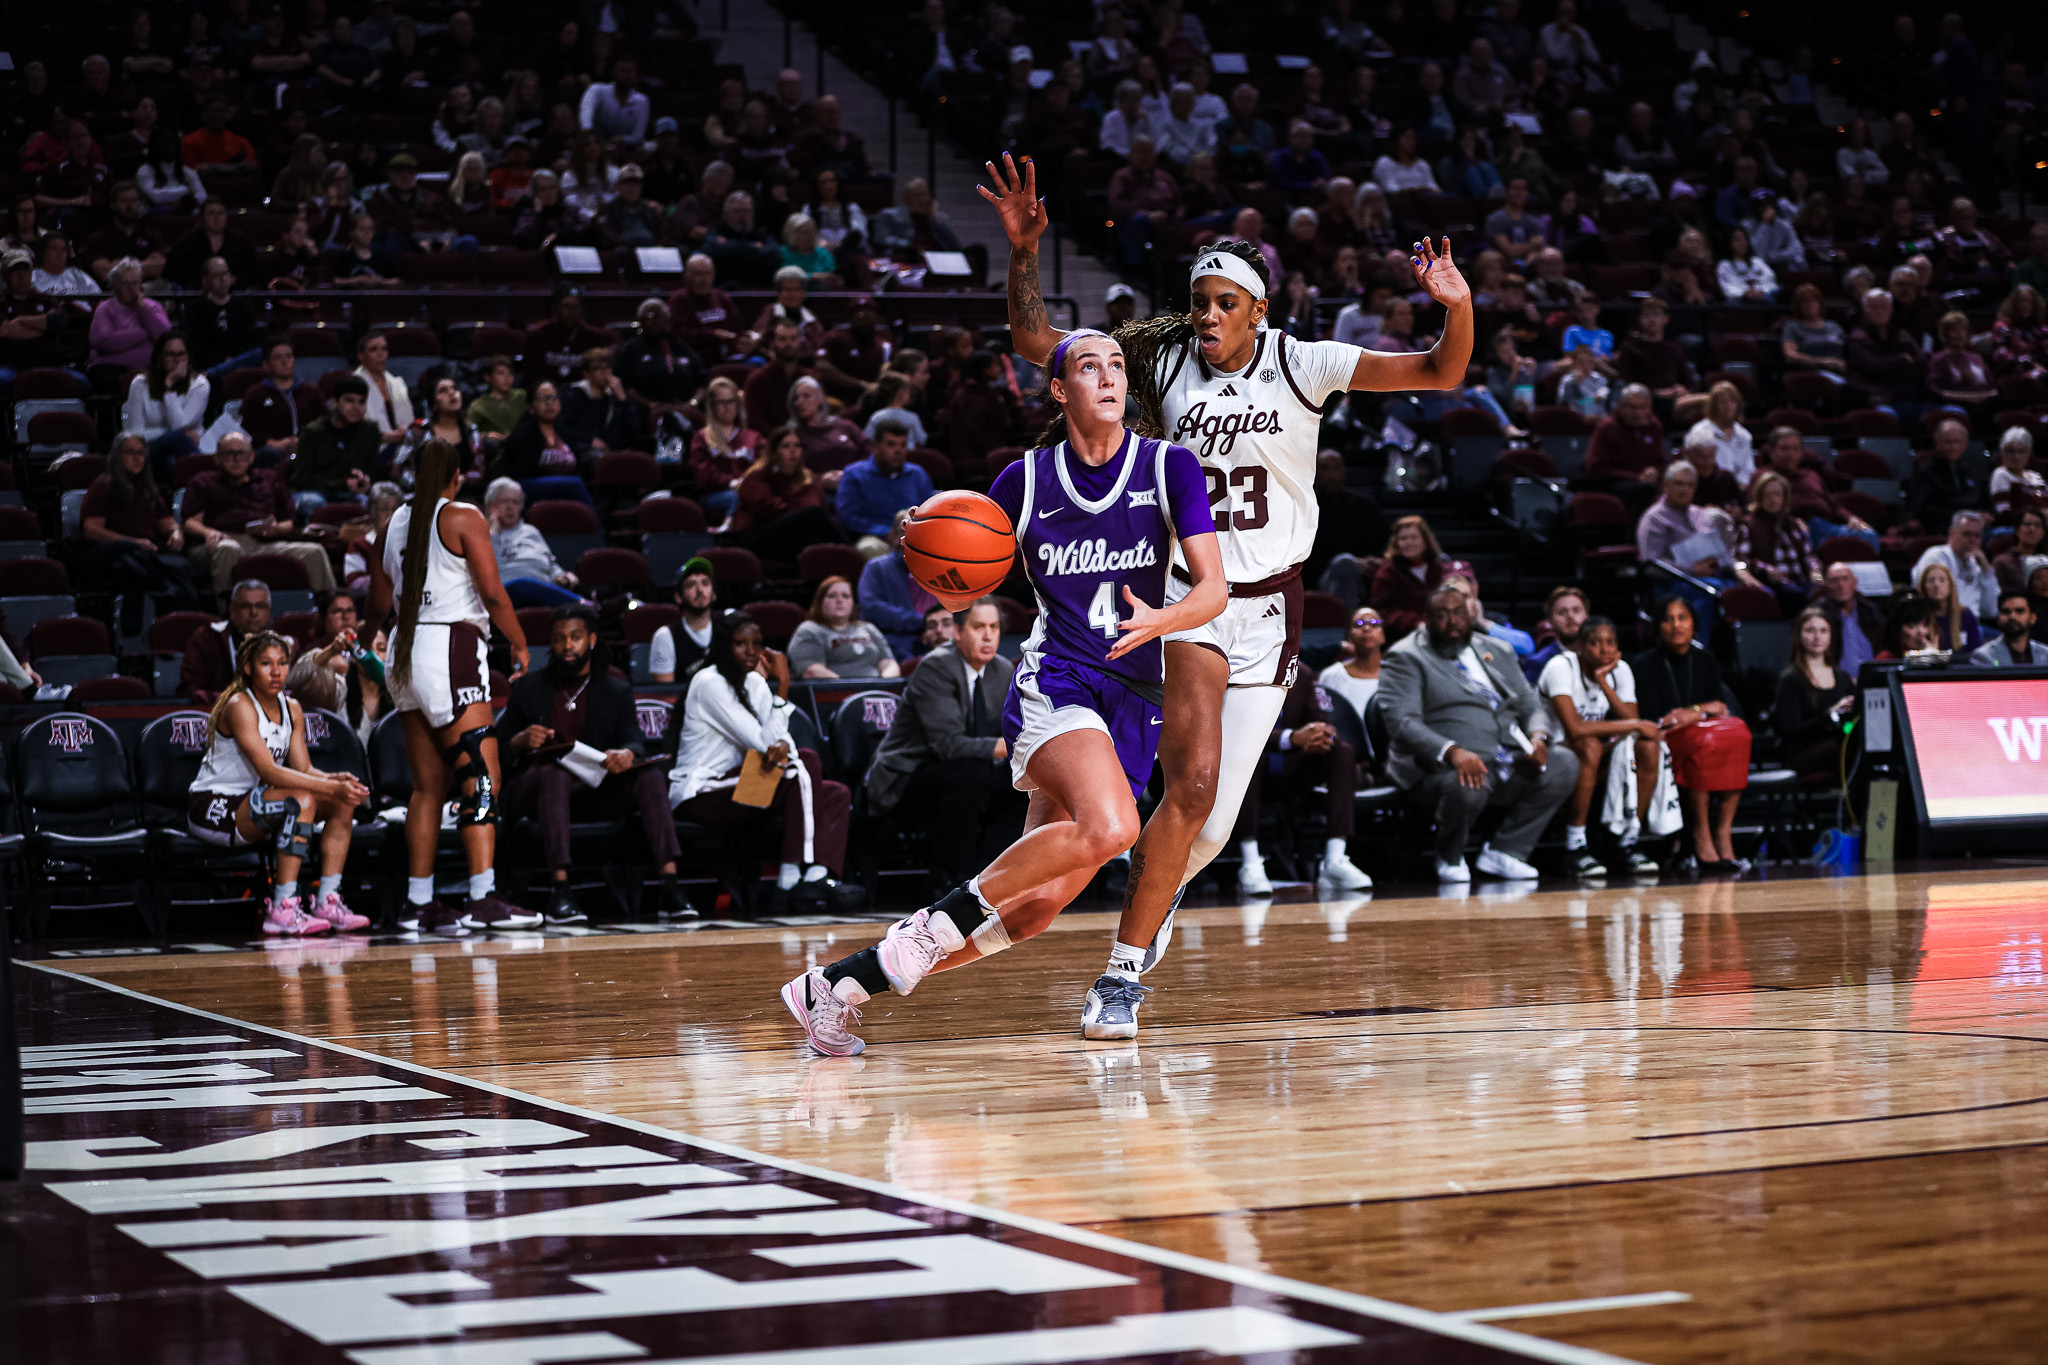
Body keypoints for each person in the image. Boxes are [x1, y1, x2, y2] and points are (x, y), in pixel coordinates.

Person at [990, 155, 1472, 1024]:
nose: (1206, 312)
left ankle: (1149, 903)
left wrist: (1458, 304)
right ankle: (1121, 976)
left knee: (1207, 830)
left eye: (1224, 301)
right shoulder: (1163, 356)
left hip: (1274, 606)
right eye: (1200, 297)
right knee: (1196, 784)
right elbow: (1038, 347)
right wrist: (1024, 252)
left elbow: (1440, 372)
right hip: (1192, 597)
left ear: (1258, 310)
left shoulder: (1307, 362)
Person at [779, 327, 1225, 1055]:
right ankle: (919, 936)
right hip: (1061, 679)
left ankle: (838, 985)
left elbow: (1214, 589)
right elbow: (961, 563)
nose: (1110, 377)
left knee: (1035, 907)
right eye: (1090, 366)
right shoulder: (1025, 480)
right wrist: (923, 545)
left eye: (1118, 365)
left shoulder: (1170, 466)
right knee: (1113, 828)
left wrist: (1164, 619)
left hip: (1137, 694)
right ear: (1059, 389)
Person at [368, 440, 538, 935]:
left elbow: (378, 603)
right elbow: (491, 592)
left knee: (427, 786)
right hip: (448, 646)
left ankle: (418, 903)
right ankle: (482, 896)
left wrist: (363, 646)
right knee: (482, 777)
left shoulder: (390, 525)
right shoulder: (464, 516)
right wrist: (521, 644)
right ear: (457, 476)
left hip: (403, 652)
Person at [499, 604, 691, 924]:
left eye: (575, 637)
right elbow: (499, 749)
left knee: (651, 778)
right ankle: (560, 890)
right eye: (559, 639)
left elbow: (634, 739)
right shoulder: (528, 688)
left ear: (591, 640)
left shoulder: (614, 688)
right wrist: (519, 741)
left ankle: (671, 887)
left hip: (593, 786)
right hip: (536, 789)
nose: (567, 645)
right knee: (554, 776)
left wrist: (627, 754)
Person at [1381, 583, 1578, 883]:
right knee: (1467, 782)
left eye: (1459, 613)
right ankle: (1449, 855)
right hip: (1440, 768)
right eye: (1443, 614)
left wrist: (1539, 736)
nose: (1453, 621)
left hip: (1508, 758)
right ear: (1427, 618)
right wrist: (1452, 751)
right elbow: (1402, 722)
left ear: (1471, 614)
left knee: (1564, 762)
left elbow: (1530, 703)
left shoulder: (1497, 650)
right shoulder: (1406, 656)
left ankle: (1506, 850)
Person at [667, 610, 858, 909]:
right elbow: (763, 743)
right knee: (803, 763)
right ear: (724, 645)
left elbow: (781, 746)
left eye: (757, 643)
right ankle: (790, 879)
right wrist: (783, 686)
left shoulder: (754, 684)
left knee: (835, 793)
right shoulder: (709, 682)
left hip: (744, 786)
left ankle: (814, 877)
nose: (751, 651)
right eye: (741, 643)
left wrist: (782, 745)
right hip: (703, 793)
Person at [188, 630, 372, 936]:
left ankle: (328, 899)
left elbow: (303, 768)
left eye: (283, 663)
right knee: (299, 801)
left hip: (255, 800)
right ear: (248, 667)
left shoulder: (293, 708)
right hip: (214, 804)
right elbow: (271, 771)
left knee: (341, 801)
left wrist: (333, 780)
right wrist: (329, 787)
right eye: (266, 664)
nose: (276, 672)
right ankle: (282, 909)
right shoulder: (239, 705)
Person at [864, 597, 1028, 889]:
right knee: (970, 773)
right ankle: (950, 877)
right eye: (979, 627)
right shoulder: (935, 667)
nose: (989, 635)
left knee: (1027, 779)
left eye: (994, 627)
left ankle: (992, 875)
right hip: (907, 776)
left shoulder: (1002, 670)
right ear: (957, 632)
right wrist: (1013, 745)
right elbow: (947, 745)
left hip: (964, 769)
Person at [1538, 614, 1666, 877]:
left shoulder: (1621, 670)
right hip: (1552, 754)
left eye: (1610, 642)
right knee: (1590, 745)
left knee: (1647, 747)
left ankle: (1628, 841)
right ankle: (1575, 845)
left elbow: (1631, 722)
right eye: (1595, 643)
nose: (1604, 649)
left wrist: (1606, 685)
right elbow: (1574, 729)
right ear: (1580, 647)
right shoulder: (1560, 667)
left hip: (1590, 756)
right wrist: (1637, 724)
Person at [1229, 667, 1374, 895]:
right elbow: (1232, 730)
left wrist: (1320, 733)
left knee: (1341, 750)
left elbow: (1319, 719)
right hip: (1246, 767)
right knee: (1248, 753)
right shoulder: (1237, 671)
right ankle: (1250, 863)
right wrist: (1291, 738)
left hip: (1292, 768)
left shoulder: (1302, 672)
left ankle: (1335, 859)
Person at [1633, 594, 1750, 873]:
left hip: (1704, 733)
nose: (1676, 625)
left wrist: (1693, 713)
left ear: (1693, 624)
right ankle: (1701, 831)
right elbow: (1657, 716)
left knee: (1741, 733)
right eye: (1668, 619)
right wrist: (1699, 714)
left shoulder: (1705, 659)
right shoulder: (1644, 664)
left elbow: (1719, 706)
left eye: (1682, 618)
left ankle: (1723, 830)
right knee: (1704, 743)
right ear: (1657, 626)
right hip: (1665, 739)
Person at [182, 433, 337, 601]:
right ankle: (229, 615)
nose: (236, 459)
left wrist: (275, 529)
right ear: (217, 458)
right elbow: (190, 522)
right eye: (229, 453)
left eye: (241, 453)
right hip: (223, 540)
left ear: (251, 457)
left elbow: (289, 523)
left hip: (265, 541)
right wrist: (208, 533)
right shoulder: (203, 481)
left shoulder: (269, 479)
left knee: (314, 552)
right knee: (227, 549)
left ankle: (331, 608)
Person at [78, 431, 199, 631]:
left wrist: (175, 533)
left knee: (181, 566)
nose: (137, 458)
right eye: (130, 452)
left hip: (146, 551)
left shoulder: (149, 489)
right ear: (117, 456)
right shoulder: (104, 485)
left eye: (141, 453)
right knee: (134, 559)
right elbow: (92, 530)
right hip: (113, 551)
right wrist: (132, 542)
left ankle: (184, 624)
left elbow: (167, 522)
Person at [286, 588, 391, 747]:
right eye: (367, 648)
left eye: (382, 648)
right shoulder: (338, 690)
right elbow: (295, 679)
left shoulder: (399, 694)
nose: (374, 655)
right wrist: (330, 652)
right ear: (354, 655)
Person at [732, 426, 842, 561]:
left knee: (816, 540)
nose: (792, 451)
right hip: (757, 536)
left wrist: (800, 517)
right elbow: (769, 509)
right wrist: (800, 515)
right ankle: (855, 556)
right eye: (785, 446)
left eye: (797, 446)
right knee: (814, 514)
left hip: (790, 537)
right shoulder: (758, 477)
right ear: (774, 453)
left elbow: (818, 504)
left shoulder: (806, 478)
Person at [1775, 607, 1856, 778]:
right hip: (1804, 750)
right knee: (1850, 748)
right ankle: (1855, 801)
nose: (1817, 637)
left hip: (1841, 743)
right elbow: (1791, 730)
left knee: (1873, 747)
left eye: (1823, 631)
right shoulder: (1791, 679)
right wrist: (1830, 714)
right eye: (1810, 631)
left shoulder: (1842, 677)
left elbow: (1852, 722)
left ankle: (1880, 804)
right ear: (1799, 636)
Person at [835, 420, 936, 557]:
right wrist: (884, 531)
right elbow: (849, 517)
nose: (899, 451)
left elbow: (929, 512)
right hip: (875, 536)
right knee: (869, 547)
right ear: (876, 446)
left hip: (914, 534)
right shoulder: (854, 474)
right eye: (891, 444)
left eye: (903, 445)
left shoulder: (917, 474)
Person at [290, 374, 378, 521]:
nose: (356, 407)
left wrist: (365, 480)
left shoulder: (370, 431)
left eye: (361, 402)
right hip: (317, 492)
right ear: (334, 402)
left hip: (352, 494)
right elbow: (301, 479)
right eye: (349, 401)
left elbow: (373, 470)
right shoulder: (313, 432)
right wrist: (342, 484)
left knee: (371, 501)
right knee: (312, 502)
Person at [483, 478, 582, 608]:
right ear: (491, 506)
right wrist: (493, 533)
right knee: (521, 586)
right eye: (504, 501)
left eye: (515, 502)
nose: (510, 507)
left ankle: (583, 606)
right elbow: (485, 568)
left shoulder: (531, 531)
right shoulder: (481, 533)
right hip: (505, 594)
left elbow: (550, 564)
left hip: (542, 589)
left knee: (528, 586)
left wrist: (561, 575)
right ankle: (583, 605)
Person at [1734, 471, 1822, 616]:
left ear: (1784, 498)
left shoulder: (1794, 524)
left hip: (1801, 580)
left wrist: (1816, 573)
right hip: (1774, 583)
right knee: (1796, 596)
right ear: (1759, 497)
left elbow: (1810, 556)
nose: (1773, 499)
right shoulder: (1749, 525)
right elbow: (1740, 562)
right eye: (1767, 495)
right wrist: (1765, 569)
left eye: (1777, 494)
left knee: (1822, 593)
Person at [124, 332, 210, 475]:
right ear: (160, 358)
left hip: (187, 450)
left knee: (172, 462)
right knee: (177, 439)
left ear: (188, 358)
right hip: (149, 450)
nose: (176, 360)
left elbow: (179, 424)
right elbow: (136, 433)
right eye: (170, 354)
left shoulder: (200, 385)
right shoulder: (139, 383)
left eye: (181, 354)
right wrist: (169, 385)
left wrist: (168, 390)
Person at [858, 509, 940, 658]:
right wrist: (921, 623)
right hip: (891, 645)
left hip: (938, 641)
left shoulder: (940, 569)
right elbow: (871, 608)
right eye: (904, 530)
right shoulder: (876, 568)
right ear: (893, 536)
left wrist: (937, 627)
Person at [1370, 515, 1468, 640]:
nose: (1408, 543)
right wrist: (1418, 622)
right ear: (1396, 543)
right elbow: (1385, 613)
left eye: (1414, 537)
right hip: (1404, 636)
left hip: (1442, 630)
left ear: (1426, 541)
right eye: (1403, 538)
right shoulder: (1387, 573)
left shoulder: (1439, 568)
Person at [788, 577, 900, 680]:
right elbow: (812, 670)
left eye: (846, 596)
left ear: (853, 602)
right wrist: (848, 688)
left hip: (874, 693)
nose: (839, 600)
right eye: (832, 595)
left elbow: (889, 663)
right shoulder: (809, 630)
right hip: (834, 695)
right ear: (819, 602)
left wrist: (883, 685)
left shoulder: (868, 628)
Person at [87, 259, 170, 391]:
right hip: (111, 366)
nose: (132, 288)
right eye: (125, 284)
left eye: (135, 283)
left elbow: (165, 339)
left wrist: (143, 308)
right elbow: (103, 341)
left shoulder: (152, 307)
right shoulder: (105, 308)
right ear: (114, 286)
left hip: (149, 366)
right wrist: (143, 333)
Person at [1585, 384, 1667, 516]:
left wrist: (1655, 471)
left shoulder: (1654, 426)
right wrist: (1636, 477)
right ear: (1620, 406)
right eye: (1632, 407)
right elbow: (1595, 467)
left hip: (1646, 482)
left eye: (1643, 407)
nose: (1638, 413)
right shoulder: (1606, 428)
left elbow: (1659, 460)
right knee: (1645, 490)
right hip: (1613, 485)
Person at [240, 340, 325, 463]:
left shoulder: (311, 391)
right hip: (270, 449)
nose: (285, 362)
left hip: (307, 444)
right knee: (269, 454)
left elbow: (323, 422)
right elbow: (247, 429)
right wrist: (271, 442)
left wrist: (305, 440)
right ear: (266, 364)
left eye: (289, 356)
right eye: (277, 358)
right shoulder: (255, 394)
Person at [1912, 508, 2000, 622]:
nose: (1972, 540)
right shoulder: (1936, 556)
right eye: (1966, 534)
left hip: (1975, 625)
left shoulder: (1977, 563)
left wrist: (1986, 570)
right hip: (1942, 623)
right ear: (1951, 533)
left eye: (1977, 535)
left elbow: (1991, 611)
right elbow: (1932, 601)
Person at [648, 557, 721, 683]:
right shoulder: (666, 636)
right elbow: (664, 695)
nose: (700, 590)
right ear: (678, 597)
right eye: (691, 585)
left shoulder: (729, 623)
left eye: (705, 583)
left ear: (714, 593)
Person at [1684, 380, 1756, 487]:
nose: (1728, 406)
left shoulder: (1745, 435)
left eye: (1733, 401)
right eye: (1723, 402)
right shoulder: (1699, 432)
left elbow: (1748, 469)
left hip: (1740, 490)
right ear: (1714, 405)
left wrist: (1740, 486)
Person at [1317, 606, 1384, 719]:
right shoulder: (1331, 675)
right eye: (1359, 624)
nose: (1366, 628)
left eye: (1374, 623)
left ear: (1383, 635)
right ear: (1349, 635)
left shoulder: (1398, 675)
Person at [1521, 586, 1591, 684]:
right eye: (1562, 612)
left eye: (1576, 610)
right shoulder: (1538, 663)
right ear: (1550, 620)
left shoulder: (1601, 656)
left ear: (1587, 616)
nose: (1570, 616)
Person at [1915, 559, 1983, 654]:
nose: (1937, 585)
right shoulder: (1918, 616)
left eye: (1942, 580)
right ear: (1924, 587)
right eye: (1931, 580)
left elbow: (1976, 652)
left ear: (1950, 586)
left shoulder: (1965, 614)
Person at [1971, 590, 2048, 665]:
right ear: (1998, 618)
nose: (2012, 617)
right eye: (2006, 611)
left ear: (2032, 618)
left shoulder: (2046, 654)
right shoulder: (1983, 656)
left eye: (2019, 611)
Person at [1990, 427, 2046, 521]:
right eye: (2011, 451)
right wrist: (2040, 517)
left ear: (2028, 454)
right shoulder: (2001, 474)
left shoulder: (2035, 476)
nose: (2016, 457)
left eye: (2021, 451)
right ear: (2002, 453)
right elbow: (2004, 513)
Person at [1995, 508, 2048, 595]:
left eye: (2038, 525)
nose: (2032, 529)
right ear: (2017, 530)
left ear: (2043, 533)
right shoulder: (2003, 562)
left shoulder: (2046, 560)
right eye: (2027, 524)